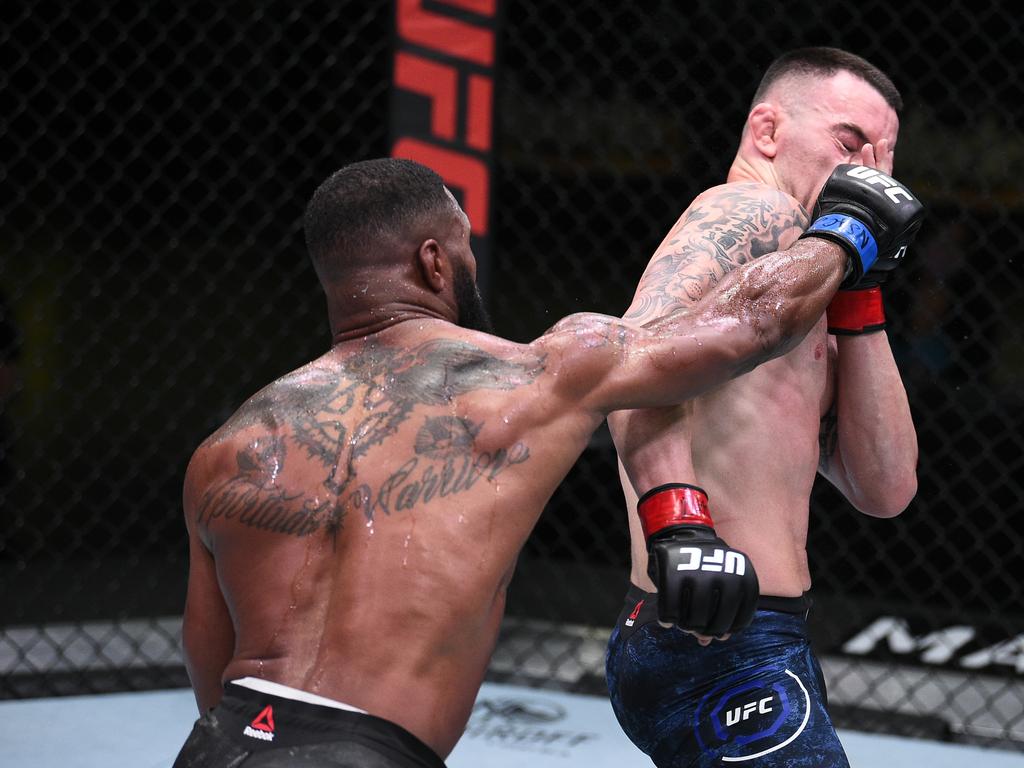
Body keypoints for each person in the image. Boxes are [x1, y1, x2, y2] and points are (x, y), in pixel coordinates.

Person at [173, 155, 922, 767]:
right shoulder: (526, 382)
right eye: (463, 243)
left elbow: (210, 665)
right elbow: (749, 325)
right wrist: (848, 233)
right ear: (435, 261)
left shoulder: (233, 445)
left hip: (221, 743)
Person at [604, 48, 921, 767]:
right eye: (849, 143)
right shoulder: (752, 210)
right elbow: (629, 360)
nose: (865, 171)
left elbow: (886, 487)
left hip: (753, 633)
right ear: (767, 131)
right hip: (715, 634)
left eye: (881, 158)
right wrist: (680, 526)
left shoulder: (803, 283)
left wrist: (859, 286)